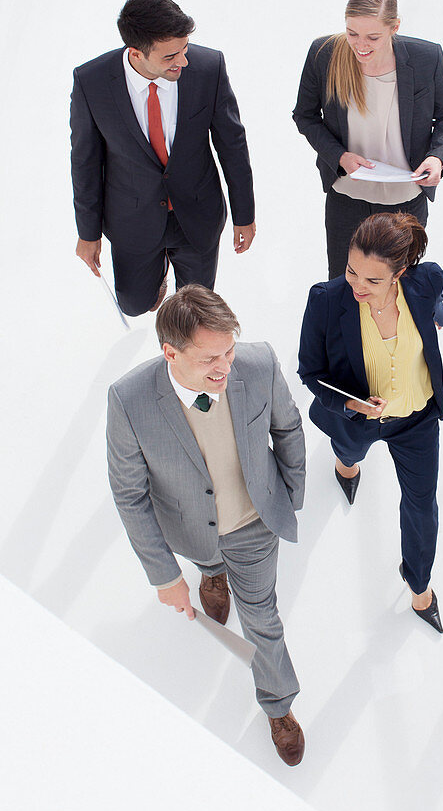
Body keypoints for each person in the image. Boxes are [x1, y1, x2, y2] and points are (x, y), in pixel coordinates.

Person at [107, 285, 306, 765]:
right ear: (169, 352)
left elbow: (287, 428)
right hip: (190, 531)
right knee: (208, 564)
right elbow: (129, 494)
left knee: (261, 618)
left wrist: (291, 496)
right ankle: (210, 575)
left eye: (228, 351)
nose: (224, 367)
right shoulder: (128, 400)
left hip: (254, 524)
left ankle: (278, 704)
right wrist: (165, 575)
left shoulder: (258, 365)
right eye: (208, 359)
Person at [298, 212, 443, 632]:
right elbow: (309, 372)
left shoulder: (425, 282)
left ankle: (419, 586)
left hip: (417, 419)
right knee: (348, 453)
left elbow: (436, 303)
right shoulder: (326, 300)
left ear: (399, 273)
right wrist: (351, 407)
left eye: (372, 280)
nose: (357, 287)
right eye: (351, 271)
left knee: (422, 506)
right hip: (358, 420)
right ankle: (346, 466)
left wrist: (440, 314)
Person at [71, 0, 256, 317]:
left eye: (184, 49)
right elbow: (85, 162)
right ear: (136, 53)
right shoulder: (91, 82)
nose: (182, 61)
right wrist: (87, 233)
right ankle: (156, 280)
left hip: (197, 216)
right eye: (170, 56)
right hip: (132, 219)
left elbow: (233, 144)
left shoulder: (208, 68)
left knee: (195, 313)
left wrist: (245, 214)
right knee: (134, 305)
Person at [293, 0, 443, 279]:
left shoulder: (426, 58)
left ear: (394, 27)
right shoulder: (324, 54)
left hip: (405, 200)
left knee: (397, 291)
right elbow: (304, 116)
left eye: (373, 36)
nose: (360, 45)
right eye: (352, 33)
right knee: (344, 290)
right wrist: (340, 156)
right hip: (347, 197)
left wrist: (437, 157)